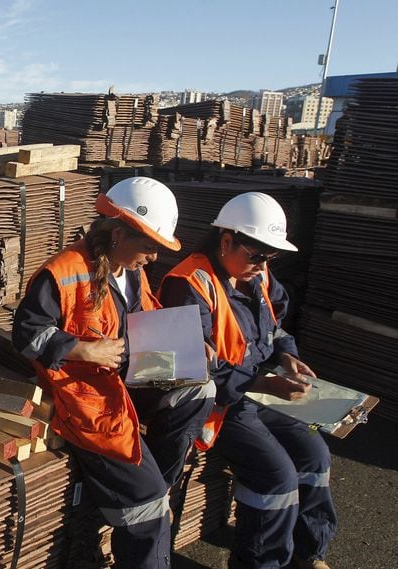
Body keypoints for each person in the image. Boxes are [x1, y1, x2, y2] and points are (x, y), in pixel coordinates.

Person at [13, 177, 215, 569]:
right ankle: (146, 497)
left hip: (125, 376)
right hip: (87, 396)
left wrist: (188, 344)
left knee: (199, 389)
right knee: (148, 507)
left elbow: (142, 319)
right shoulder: (64, 271)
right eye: (149, 247)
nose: (153, 258)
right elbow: (26, 334)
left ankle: (148, 487)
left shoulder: (130, 270)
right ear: (119, 233)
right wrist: (82, 349)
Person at [158, 192, 336, 569]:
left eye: (270, 257)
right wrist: (266, 385)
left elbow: (277, 326)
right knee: (277, 476)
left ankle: (308, 553)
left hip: (258, 392)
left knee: (315, 453)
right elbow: (192, 367)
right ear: (226, 241)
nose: (263, 264)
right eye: (257, 255)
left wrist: (287, 355)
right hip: (219, 405)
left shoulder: (258, 274)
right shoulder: (188, 284)